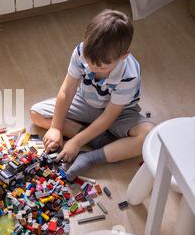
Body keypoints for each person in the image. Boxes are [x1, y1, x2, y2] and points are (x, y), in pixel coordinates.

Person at [30, 9, 155, 181]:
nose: (92, 67)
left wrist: (77, 142)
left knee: (149, 136)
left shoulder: (129, 75)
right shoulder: (81, 51)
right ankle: (98, 139)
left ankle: (91, 157)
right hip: (85, 102)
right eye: (89, 61)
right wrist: (56, 128)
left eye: (102, 67)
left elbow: (108, 117)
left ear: (123, 56)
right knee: (36, 113)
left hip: (119, 113)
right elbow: (66, 91)